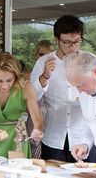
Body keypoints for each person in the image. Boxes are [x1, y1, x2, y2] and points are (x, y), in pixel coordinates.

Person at [30, 14, 87, 162]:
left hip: (82, 136)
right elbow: (32, 98)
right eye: (67, 42)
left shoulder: (88, 60)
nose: (73, 47)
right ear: (56, 40)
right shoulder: (44, 62)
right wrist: (45, 76)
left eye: (77, 42)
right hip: (54, 135)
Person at [0, 52, 44, 158]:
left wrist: (37, 130)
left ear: (15, 76)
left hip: (17, 138)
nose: (4, 86)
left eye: (9, 80)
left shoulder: (26, 87)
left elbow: (37, 121)